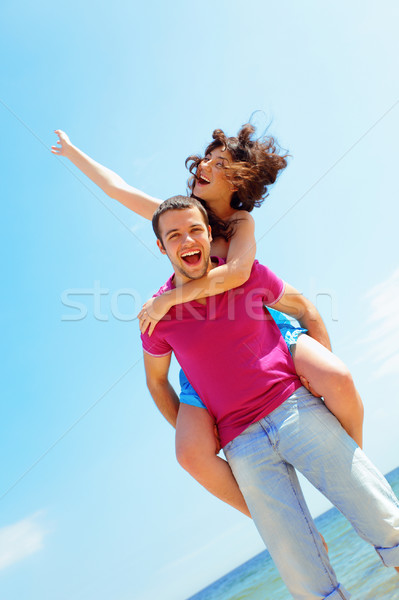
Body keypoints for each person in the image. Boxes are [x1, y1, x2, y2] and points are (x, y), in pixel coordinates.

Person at [52, 125, 364, 518]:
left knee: (337, 378)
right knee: (191, 453)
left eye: (220, 165)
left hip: (260, 336)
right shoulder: (179, 215)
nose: (205, 166)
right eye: (206, 158)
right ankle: (275, 519)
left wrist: (168, 299)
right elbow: (118, 188)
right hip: (207, 361)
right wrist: (72, 151)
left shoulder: (239, 223)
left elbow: (236, 273)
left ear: (238, 184)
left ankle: (354, 470)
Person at [141, 196, 399, 600]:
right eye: (174, 235)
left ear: (209, 233)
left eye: (194, 229)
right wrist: (202, 433)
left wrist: (319, 371)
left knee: (387, 523)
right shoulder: (156, 316)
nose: (187, 240)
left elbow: (304, 310)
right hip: (242, 447)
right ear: (161, 247)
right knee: (308, 582)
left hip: (296, 409)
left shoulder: (246, 275)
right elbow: (157, 382)